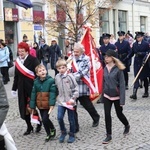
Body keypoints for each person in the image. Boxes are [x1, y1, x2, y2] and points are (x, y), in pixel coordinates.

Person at [11, 42, 42, 135]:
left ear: (27, 51)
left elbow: (39, 73)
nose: (20, 53)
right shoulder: (18, 62)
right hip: (21, 88)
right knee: (23, 108)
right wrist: (13, 88)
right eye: (19, 51)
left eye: (22, 51)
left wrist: (38, 85)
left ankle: (39, 122)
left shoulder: (33, 60)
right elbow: (16, 76)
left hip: (32, 88)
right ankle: (29, 126)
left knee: (31, 107)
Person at [70, 43, 100, 132]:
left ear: (82, 51)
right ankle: (75, 126)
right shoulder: (71, 59)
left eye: (77, 52)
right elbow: (67, 69)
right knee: (73, 107)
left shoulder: (86, 59)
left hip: (82, 86)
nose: (75, 53)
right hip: (73, 87)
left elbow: (83, 72)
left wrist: (70, 77)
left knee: (87, 105)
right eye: (74, 51)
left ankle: (96, 117)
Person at [102, 49, 130, 144]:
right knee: (107, 114)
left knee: (119, 114)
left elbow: (122, 86)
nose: (106, 58)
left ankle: (126, 125)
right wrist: (102, 95)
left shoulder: (118, 70)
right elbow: (103, 82)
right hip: (107, 95)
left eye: (107, 56)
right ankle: (108, 135)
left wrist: (122, 100)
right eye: (105, 56)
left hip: (117, 96)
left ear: (112, 58)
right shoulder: (104, 68)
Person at [30, 64, 56, 142]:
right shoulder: (36, 82)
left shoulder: (50, 80)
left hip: (47, 104)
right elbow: (33, 93)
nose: (42, 72)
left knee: (45, 119)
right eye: (40, 71)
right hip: (40, 104)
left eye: (43, 70)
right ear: (37, 74)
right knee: (44, 120)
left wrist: (52, 104)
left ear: (46, 71)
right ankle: (48, 133)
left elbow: (52, 93)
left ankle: (52, 129)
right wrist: (32, 106)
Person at [55, 59, 79, 143]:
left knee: (71, 119)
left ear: (66, 68)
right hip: (61, 102)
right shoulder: (57, 77)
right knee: (59, 117)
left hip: (70, 102)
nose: (61, 69)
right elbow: (56, 88)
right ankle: (63, 132)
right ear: (57, 69)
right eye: (59, 68)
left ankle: (72, 134)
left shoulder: (70, 77)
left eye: (63, 67)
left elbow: (76, 89)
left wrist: (73, 98)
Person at [127, 32, 150, 99]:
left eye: (139, 37)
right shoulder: (134, 44)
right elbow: (132, 52)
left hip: (144, 63)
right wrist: (127, 58)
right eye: (137, 37)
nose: (138, 38)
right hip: (137, 63)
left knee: (144, 77)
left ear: (142, 37)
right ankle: (134, 93)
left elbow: (148, 52)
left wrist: (142, 54)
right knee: (136, 77)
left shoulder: (146, 44)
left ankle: (146, 92)